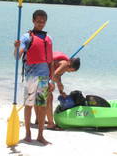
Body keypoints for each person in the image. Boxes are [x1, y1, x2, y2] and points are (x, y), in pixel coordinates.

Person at [14, 10, 54, 145]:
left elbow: (50, 62)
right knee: (29, 105)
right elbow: (17, 56)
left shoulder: (48, 39)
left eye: (43, 22)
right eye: (38, 21)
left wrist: (51, 80)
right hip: (31, 77)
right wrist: (17, 48)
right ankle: (28, 134)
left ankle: (41, 135)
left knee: (42, 106)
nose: (41, 24)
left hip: (44, 78)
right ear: (33, 21)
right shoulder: (26, 37)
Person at [35, 51, 80, 130]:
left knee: (39, 97)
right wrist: (52, 84)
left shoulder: (64, 64)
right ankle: (50, 124)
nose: (70, 72)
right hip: (42, 73)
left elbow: (58, 76)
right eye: (72, 71)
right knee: (49, 97)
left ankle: (38, 119)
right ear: (71, 66)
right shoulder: (65, 65)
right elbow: (55, 74)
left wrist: (60, 91)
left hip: (38, 70)